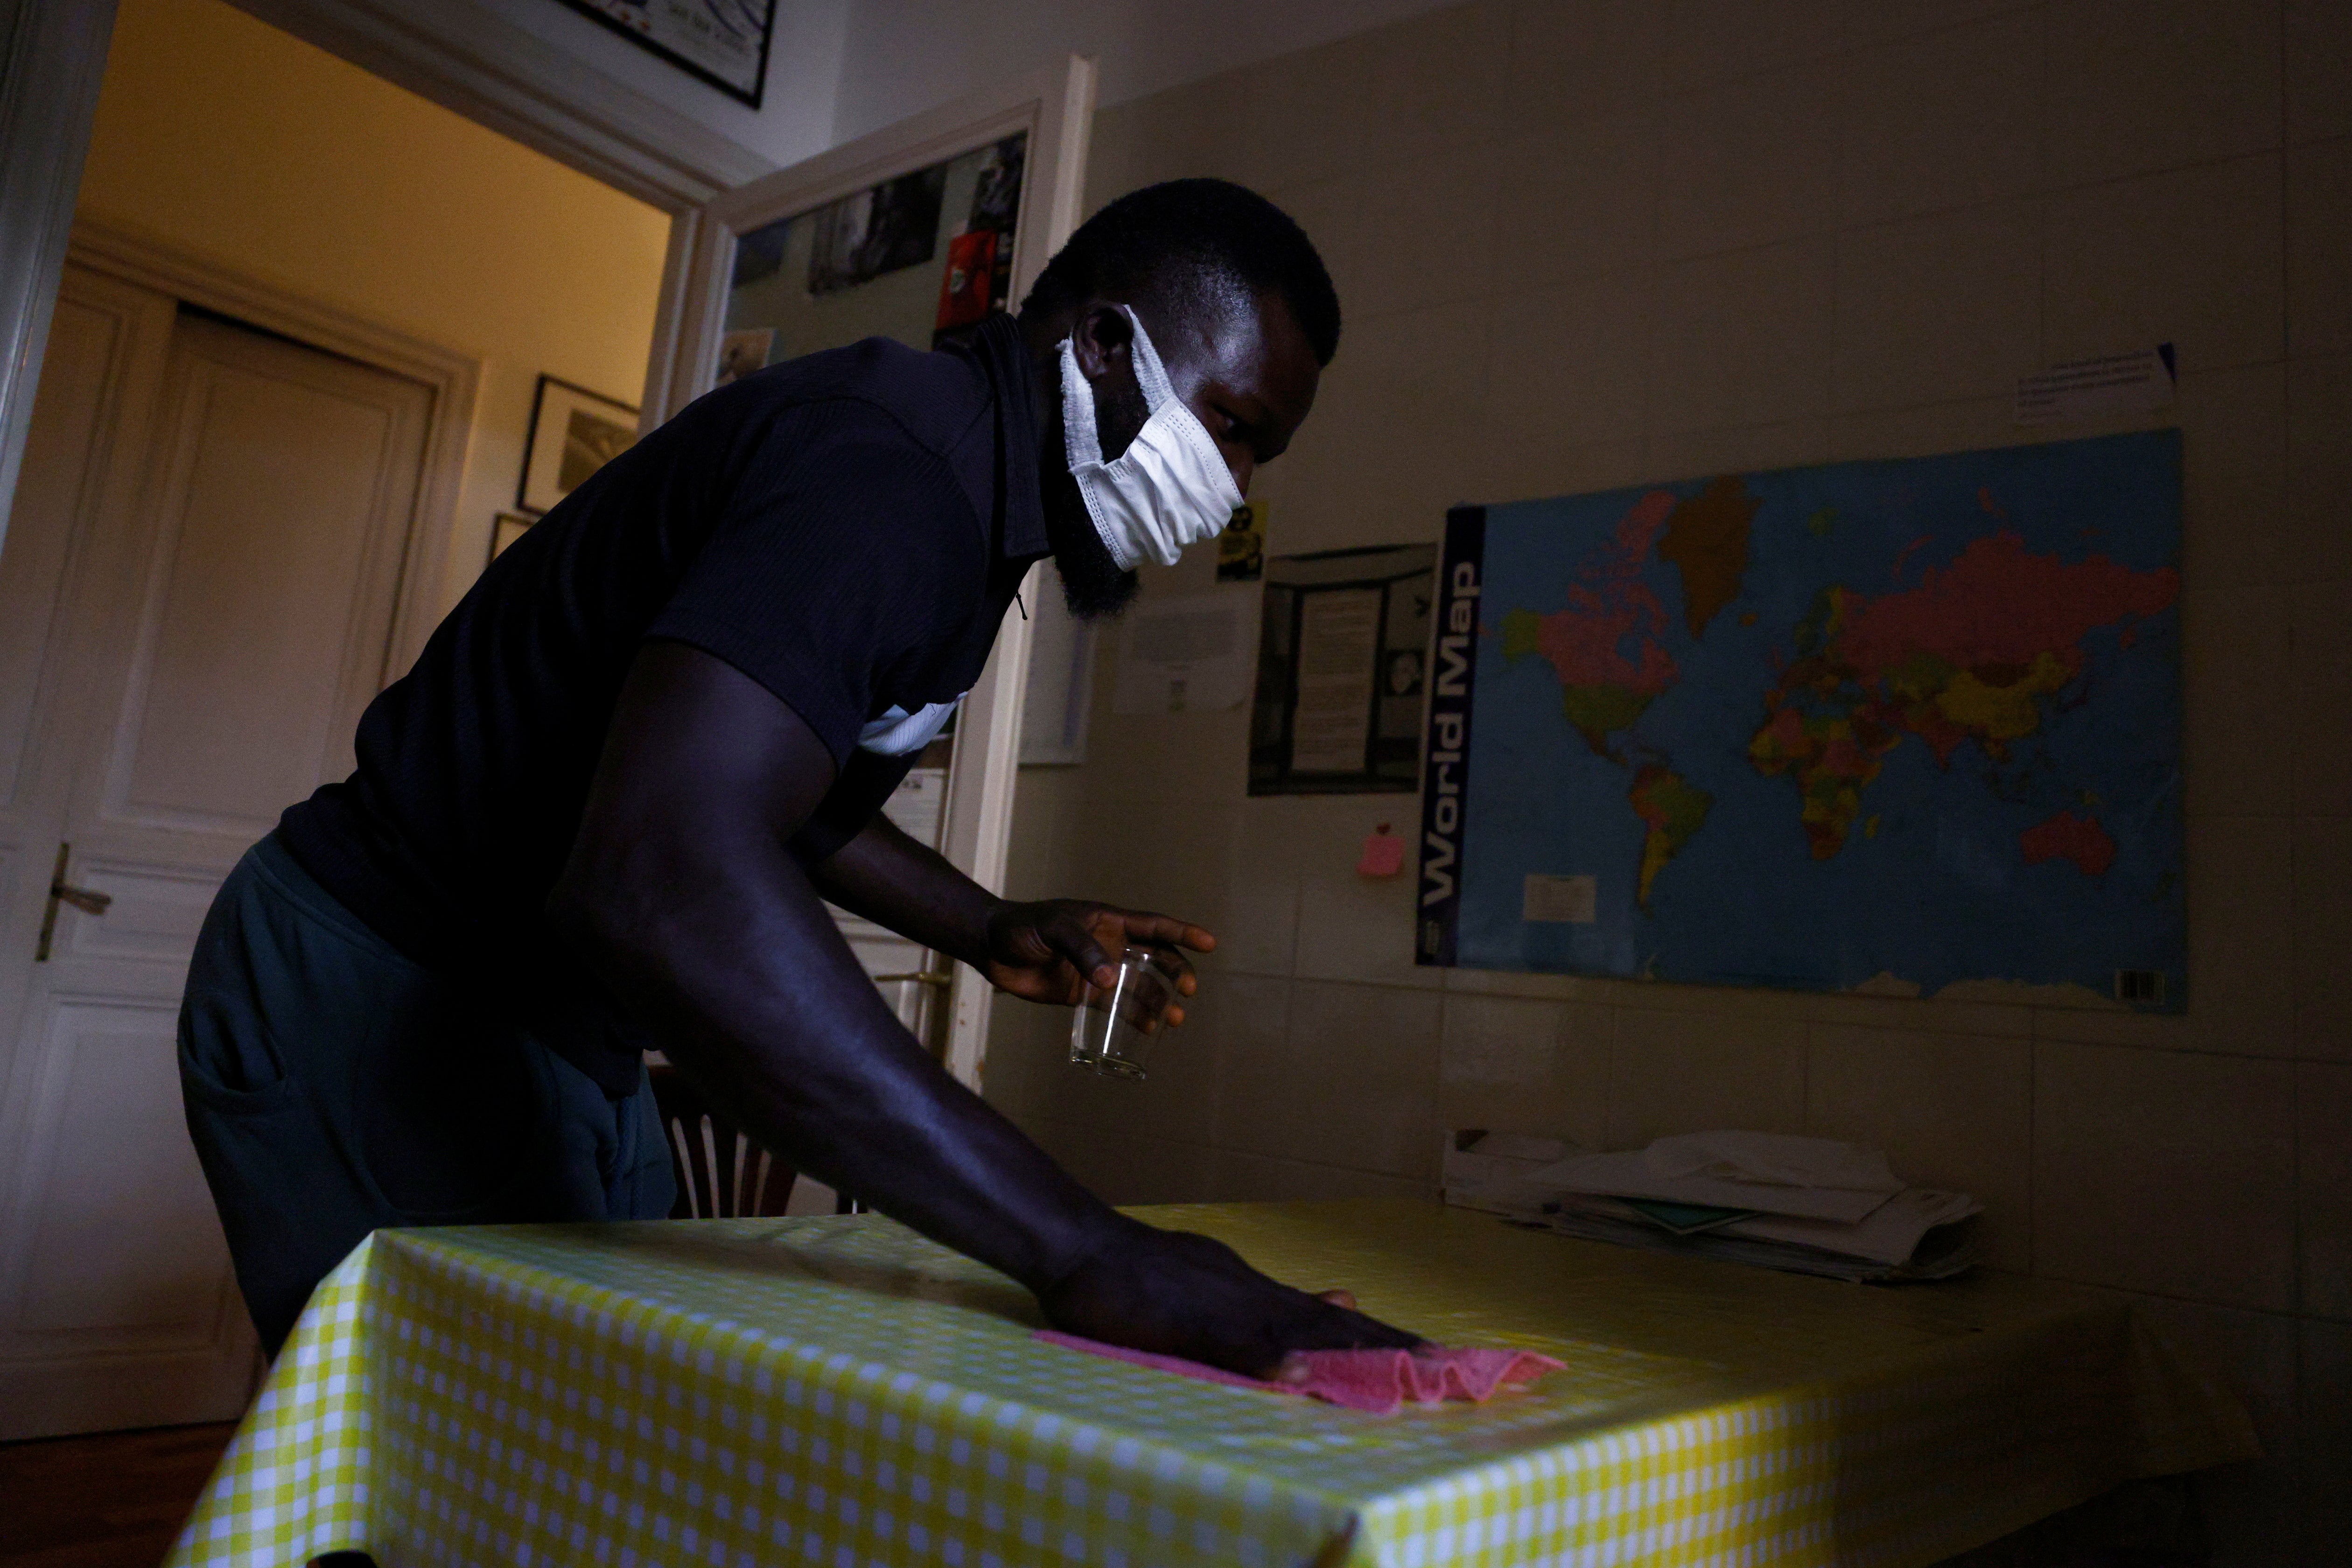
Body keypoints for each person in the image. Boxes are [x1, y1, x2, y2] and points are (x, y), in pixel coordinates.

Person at [178, 177, 1418, 1375]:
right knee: (466, 1486)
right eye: (1234, 427)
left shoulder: (969, 501)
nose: (1234, 490)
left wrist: (982, 924)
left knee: (612, 1461)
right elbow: (663, 870)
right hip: (387, 975)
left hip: (559, 1022)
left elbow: (761, 787)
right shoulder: (889, 473)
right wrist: (1088, 1248)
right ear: (1102, 344)